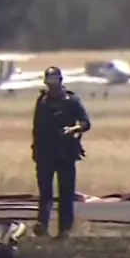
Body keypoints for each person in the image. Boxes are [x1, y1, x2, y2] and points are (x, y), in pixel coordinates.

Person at [31, 66, 92, 238]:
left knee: (66, 193)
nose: (52, 87)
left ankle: (64, 229)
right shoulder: (42, 101)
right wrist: (35, 149)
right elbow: (36, 127)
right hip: (45, 152)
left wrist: (74, 129)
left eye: (54, 82)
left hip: (66, 152)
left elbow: (86, 122)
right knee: (45, 193)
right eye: (49, 82)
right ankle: (42, 224)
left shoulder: (71, 101)